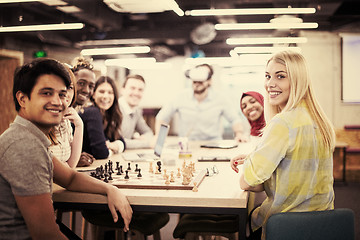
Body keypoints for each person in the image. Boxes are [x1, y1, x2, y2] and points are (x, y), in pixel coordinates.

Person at [0, 58, 132, 240]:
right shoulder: (24, 146)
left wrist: (111, 189)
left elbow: (70, 177)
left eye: (62, 94)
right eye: (46, 93)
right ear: (22, 99)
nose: (58, 102)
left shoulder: (29, 137)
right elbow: (45, 234)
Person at [230, 50, 335, 240]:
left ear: (297, 80)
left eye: (280, 76)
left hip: (286, 227)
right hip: (322, 227)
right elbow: (295, 164)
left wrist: (252, 161)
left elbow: (249, 182)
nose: (270, 83)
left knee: (249, 217)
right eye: (268, 76)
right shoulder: (320, 121)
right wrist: (259, 154)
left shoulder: (283, 123)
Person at [156, 63, 249, 141]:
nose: (197, 84)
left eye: (201, 81)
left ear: (210, 81)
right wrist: (158, 138)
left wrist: (239, 134)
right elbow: (162, 117)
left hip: (213, 144)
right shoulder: (180, 97)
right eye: (195, 81)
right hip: (187, 146)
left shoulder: (221, 98)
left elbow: (234, 119)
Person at [80, 76, 125, 159]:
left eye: (110, 92)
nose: (105, 96)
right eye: (101, 91)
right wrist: (112, 150)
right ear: (93, 94)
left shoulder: (108, 115)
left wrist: (111, 145)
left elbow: (123, 143)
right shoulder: (92, 112)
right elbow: (101, 152)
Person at [48, 65, 84, 168]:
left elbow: (71, 165)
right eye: (61, 87)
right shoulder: (41, 122)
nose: (66, 93)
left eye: (70, 87)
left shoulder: (65, 121)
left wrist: (79, 125)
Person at [119, 74, 154, 149]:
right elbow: (118, 142)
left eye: (140, 90)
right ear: (122, 90)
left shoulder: (136, 110)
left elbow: (148, 132)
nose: (136, 93)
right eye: (132, 88)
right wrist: (147, 143)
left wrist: (142, 137)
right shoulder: (115, 110)